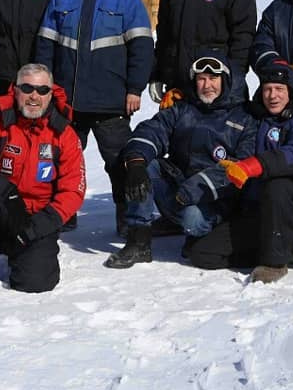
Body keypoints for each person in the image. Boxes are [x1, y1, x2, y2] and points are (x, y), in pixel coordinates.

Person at [36, 0, 153, 232]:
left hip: (110, 100)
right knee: (63, 160)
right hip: (68, 100)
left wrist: (134, 89)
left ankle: (126, 216)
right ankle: (65, 211)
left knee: (118, 163)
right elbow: (45, 48)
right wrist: (45, 88)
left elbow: (142, 48)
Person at [0, 63, 86, 300]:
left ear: (51, 94)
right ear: (16, 90)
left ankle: (20, 249)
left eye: (42, 90)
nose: (34, 96)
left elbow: (74, 190)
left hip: (35, 217)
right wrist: (5, 191)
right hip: (1, 208)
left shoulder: (64, 134)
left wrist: (37, 228)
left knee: (35, 282)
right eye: (27, 88)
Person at [106, 51, 256, 270]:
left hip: (215, 198)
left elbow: (240, 165)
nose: (207, 85)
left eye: (213, 78)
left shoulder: (244, 118)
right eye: (201, 79)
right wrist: (137, 163)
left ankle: (201, 236)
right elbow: (151, 130)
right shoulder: (182, 109)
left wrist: (195, 189)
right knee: (143, 164)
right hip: (178, 189)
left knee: (192, 218)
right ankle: (139, 240)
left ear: (225, 80)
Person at [188, 60, 293, 283]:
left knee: (278, 185)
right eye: (267, 89)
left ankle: (274, 263)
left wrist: (254, 165)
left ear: (290, 91)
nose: (273, 95)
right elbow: (219, 103)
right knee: (202, 253)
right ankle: (280, 250)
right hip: (256, 211)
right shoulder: (255, 117)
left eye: (279, 89)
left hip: (292, 211)